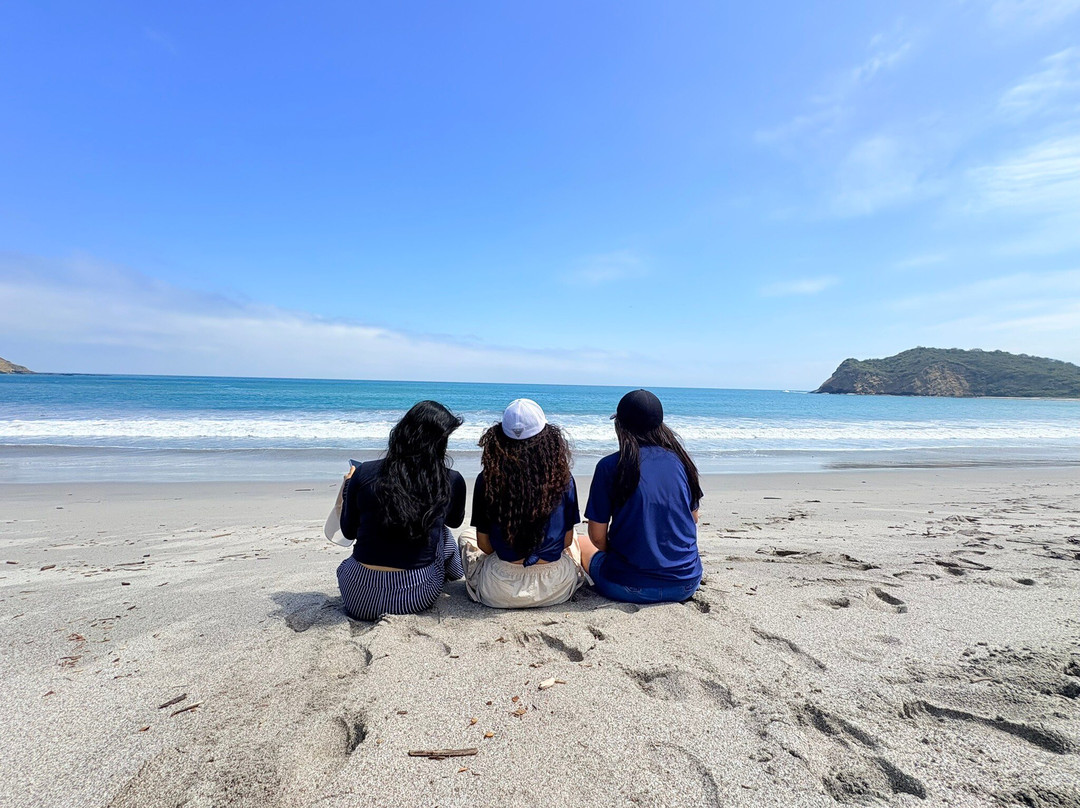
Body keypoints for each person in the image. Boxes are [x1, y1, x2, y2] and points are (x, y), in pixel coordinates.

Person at [336, 400, 466, 620]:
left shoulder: (365, 472)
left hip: (357, 596)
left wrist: (349, 486)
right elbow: (454, 521)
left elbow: (348, 532)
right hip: (414, 596)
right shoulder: (450, 480)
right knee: (442, 531)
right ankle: (456, 574)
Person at [578, 389, 704, 604]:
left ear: (620, 425)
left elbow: (597, 537)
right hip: (686, 583)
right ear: (660, 425)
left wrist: (627, 555)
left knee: (579, 542)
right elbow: (694, 517)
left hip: (626, 586)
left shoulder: (610, 466)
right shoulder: (682, 461)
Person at [458, 399, 586, 608]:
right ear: (547, 436)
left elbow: (485, 546)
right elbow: (566, 541)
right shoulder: (563, 478)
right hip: (556, 586)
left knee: (466, 537)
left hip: (500, 589)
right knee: (575, 542)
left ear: (499, 437)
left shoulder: (488, 479)